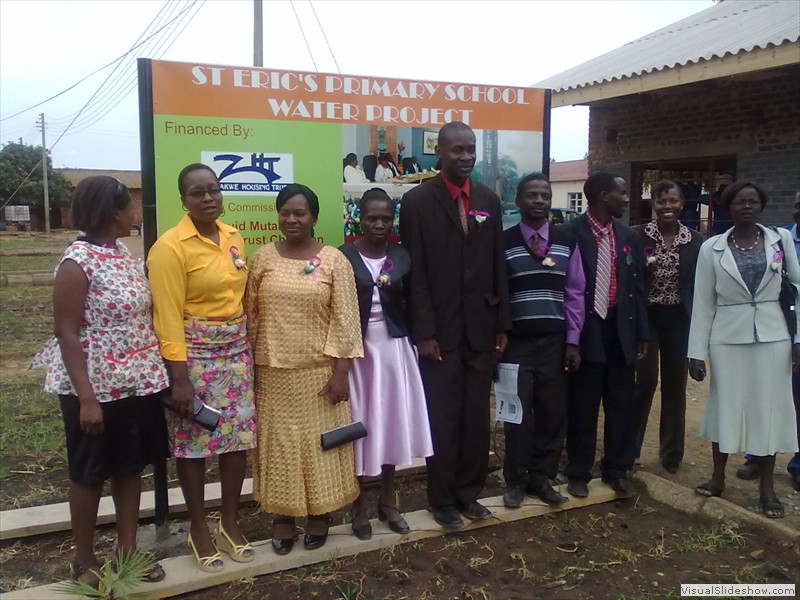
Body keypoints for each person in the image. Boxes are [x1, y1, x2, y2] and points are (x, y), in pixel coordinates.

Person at [31, 176, 169, 587]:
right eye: (130, 206)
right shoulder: (77, 262)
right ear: (115, 212)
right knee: (89, 472)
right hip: (93, 386)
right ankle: (83, 558)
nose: (134, 213)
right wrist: (87, 399)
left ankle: (128, 552)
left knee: (130, 466)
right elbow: (67, 333)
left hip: (137, 380)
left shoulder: (122, 253)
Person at [399, 121, 510, 529]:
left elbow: (497, 261)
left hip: (481, 328)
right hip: (439, 333)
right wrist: (423, 332)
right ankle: (442, 500)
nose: (465, 157)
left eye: (471, 150)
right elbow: (415, 273)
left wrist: (502, 322)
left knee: (476, 418)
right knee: (443, 418)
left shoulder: (488, 200)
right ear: (439, 153)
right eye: (456, 150)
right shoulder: (416, 202)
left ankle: (470, 494)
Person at [147, 163, 257, 572]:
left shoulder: (232, 236)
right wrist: (179, 378)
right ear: (183, 201)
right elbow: (167, 316)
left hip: (235, 351)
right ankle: (198, 527)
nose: (208, 198)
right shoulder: (170, 247)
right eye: (198, 192)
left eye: (213, 189)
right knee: (192, 447)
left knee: (237, 440)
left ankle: (229, 522)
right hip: (193, 359)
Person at [245, 184, 363, 554]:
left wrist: (341, 372)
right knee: (279, 448)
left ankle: (320, 515)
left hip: (319, 374)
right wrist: (245, 366)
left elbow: (346, 319)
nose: (291, 219)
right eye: (285, 212)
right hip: (272, 373)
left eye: (300, 213)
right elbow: (251, 314)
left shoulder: (333, 260)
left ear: (313, 217)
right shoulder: (263, 258)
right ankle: (283, 517)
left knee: (319, 448)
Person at [689, 182, 799, 519]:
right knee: (726, 405)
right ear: (728, 207)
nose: (746, 206)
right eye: (739, 201)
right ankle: (718, 478)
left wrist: (797, 340)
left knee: (767, 410)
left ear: (762, 206)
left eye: (752, 201)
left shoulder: (780, 241)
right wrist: (695, 350)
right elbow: (703, 301)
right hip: (728, 336)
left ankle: (767, 488)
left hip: (773, 336)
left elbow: (796, 291)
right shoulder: (712, 247)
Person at [340, 188, 433, 540]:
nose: (379, 225)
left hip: (395, 350)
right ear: (358, 219)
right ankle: (358, 504)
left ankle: (389, 500)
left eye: (385, 218)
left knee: (392, 421)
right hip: (359, 353)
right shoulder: (343, 256)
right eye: (371, 218)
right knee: (360, 425)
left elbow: (417, 301)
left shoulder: (402, 256)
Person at [561, 172, 649, 499]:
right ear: (602, 195)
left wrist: (641, 332)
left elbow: (638, 288)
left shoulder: (628, 236)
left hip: (620, 330)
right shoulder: (569, 233)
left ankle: (616, 469)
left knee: (620, 405)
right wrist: (568, 339)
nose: (627, 199)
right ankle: (578, 471)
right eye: (621, 193)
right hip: (586, 331)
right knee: (582, 406)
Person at [501, 174, 585, 508]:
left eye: (545, 195)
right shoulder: (503, 241)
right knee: (516, 413)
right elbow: (498, 292)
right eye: (531, 195)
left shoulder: (566, 240)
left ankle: (542, 477)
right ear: (518, 201)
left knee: (553, 413)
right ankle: (515, 480)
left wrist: (573, 341)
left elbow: (575, 292)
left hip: (554, 342)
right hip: (516, 345)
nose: (539, 200)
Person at [632, 181, 703, 474]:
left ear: (682, 204)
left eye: (673, 201)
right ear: (653, 205)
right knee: (644, 382)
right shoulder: (637, 236)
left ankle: (671, 453)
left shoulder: (696, 240)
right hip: (647, 318)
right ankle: (628, 449)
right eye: (661, 202)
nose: (667, 207)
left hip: (678, 319)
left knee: (675, 385)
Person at [736, 192, 800, 490]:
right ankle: (757, 456)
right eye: (797, 204)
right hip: (783, 330)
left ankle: (798, 465)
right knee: (768, 395)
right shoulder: (781, 238)